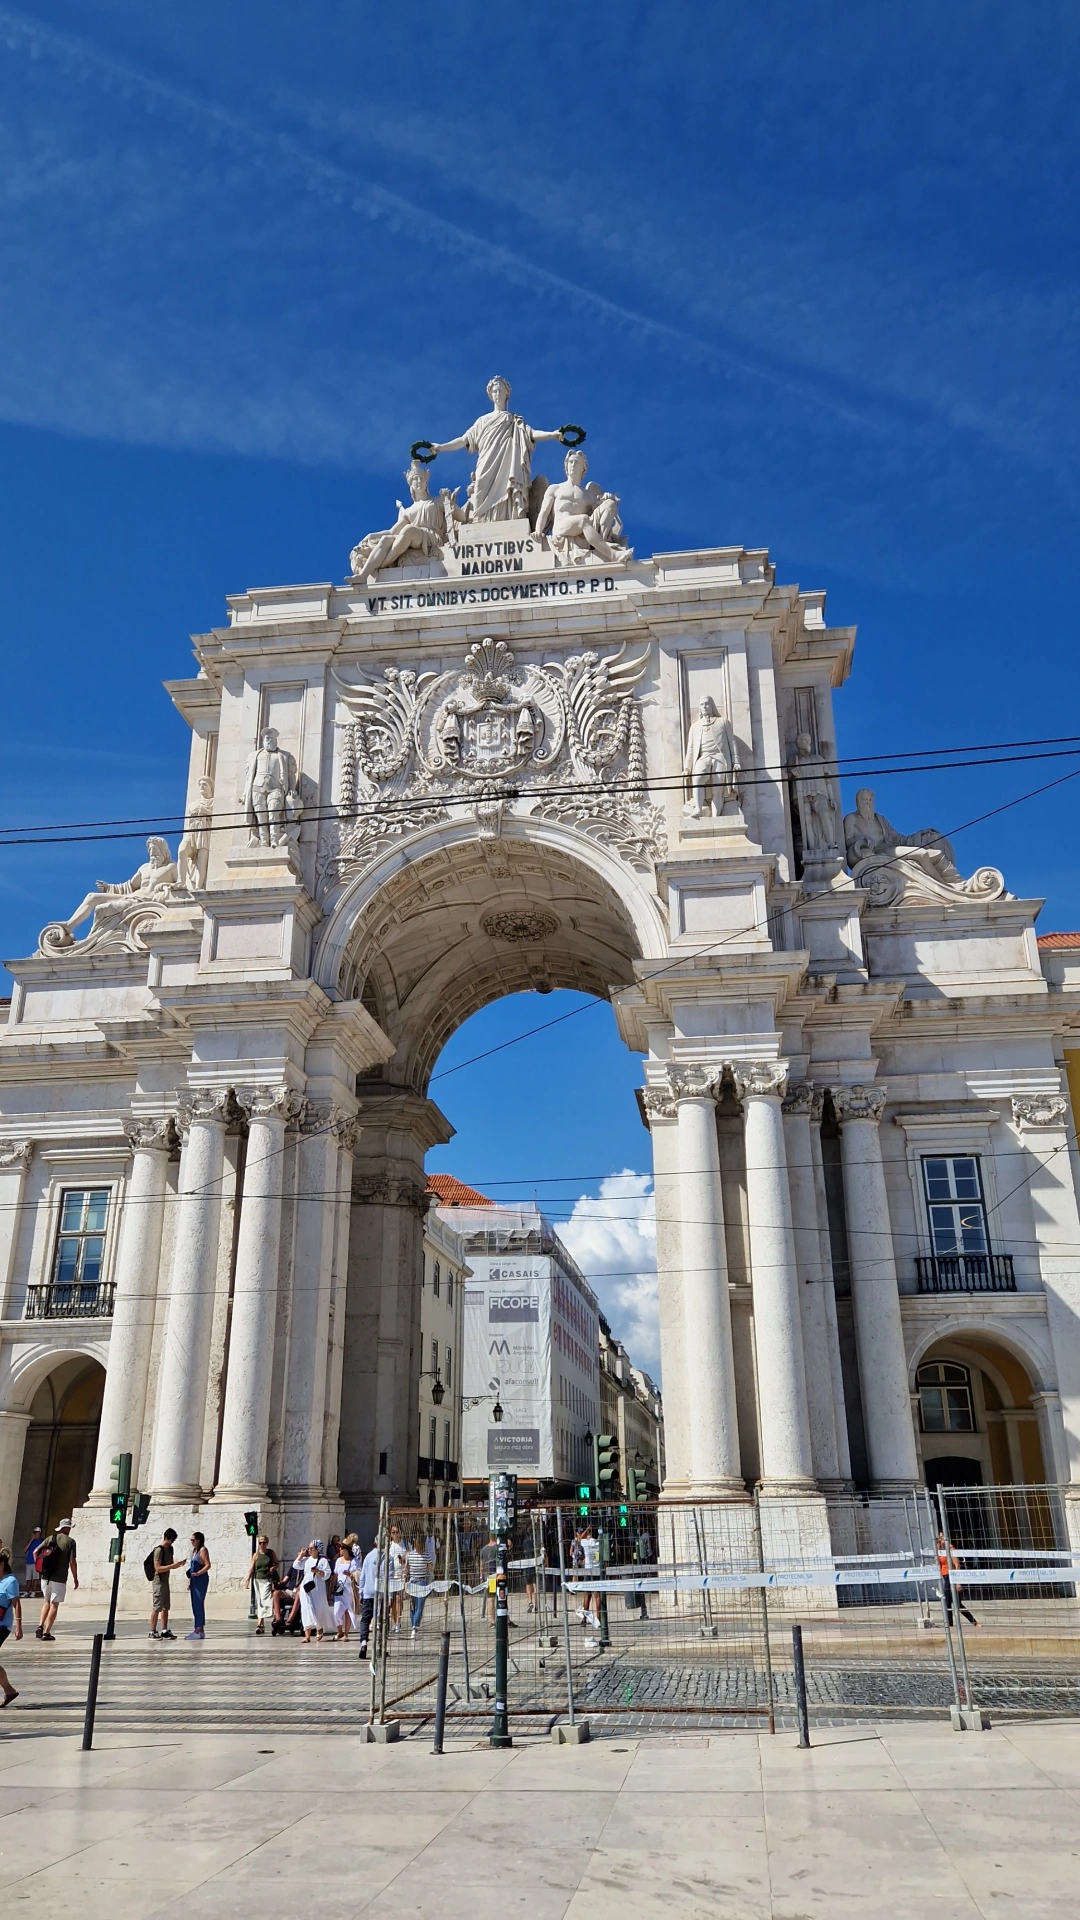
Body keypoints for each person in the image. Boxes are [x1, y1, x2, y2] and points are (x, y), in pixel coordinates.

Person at [428, 375, 565, 523]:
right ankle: (483, 523)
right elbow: (463, 440)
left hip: (508, 463)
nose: (497, 393)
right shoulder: (482, 421)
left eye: (500, 390)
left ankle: (510, 520)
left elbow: (531, 433)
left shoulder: (514, 420)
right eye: (494, 391)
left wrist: (553, 434)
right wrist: (441, 447)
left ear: (507, 393)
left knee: (509, 487)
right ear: (490, 395)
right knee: (481, 493)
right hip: (487, 462)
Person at [37, 1520, 78, 1640]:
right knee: (54, 1605)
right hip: (59, 1578)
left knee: (46, 1601)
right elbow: (72, 1562)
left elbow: (36, 1552)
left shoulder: (50, 1538)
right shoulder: (70, 1542)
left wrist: (39, 1568)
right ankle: (46, 1632)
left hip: (46, 1577)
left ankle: (40, 1626)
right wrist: (75, 1578)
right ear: (67, 1529)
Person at [294, 1539, 334, 1644]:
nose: (309, 1550)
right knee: (307, 1608)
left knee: (318, 1608)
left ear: (317, 1549)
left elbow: (327, 1575)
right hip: (306, 1587)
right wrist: (301, 1555)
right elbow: (296, 1565)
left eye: (312, 1548)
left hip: (317, 1588)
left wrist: (318, 1571)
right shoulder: (306, 1560)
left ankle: (319, 1628)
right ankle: (307, 1636)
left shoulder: (323, 1561)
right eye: (309, 1548)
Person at [936, 1531, 978, 1629]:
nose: (940, 1540)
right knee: (947, 1602)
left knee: (957, 1604)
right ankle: (949, 1625)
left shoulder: (951, 1549)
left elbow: (957, 1565)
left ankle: (974, 1622)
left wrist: (957, 1582)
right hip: (945, 1577)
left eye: (942, 1538)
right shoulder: (939, 1550)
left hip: (952, 1576)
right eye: (939, 1538)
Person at [356, 1535, 383, 1659]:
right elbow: (390, 1577)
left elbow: (363, 1576)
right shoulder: (389, 1557)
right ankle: (379, 1647)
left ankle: (363, 1643)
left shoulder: (368, 1556)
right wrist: (390, 1596)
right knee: (381, 1621)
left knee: (365, 1620)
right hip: (381, 1593)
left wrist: (361, 1592)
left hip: (368, 1593)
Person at [0, 1550, 21, 1707]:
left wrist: (18, 1626)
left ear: (2, 1565)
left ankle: (9, 1690)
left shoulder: (10, 1581)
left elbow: (16, 1604)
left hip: (2, 1626)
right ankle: (9, 1691)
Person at [150, 1528, 178, 1640]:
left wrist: (177, 1564)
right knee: (157, 1607)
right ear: (168, 1538)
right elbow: (158, 1568)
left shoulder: (170, 1549)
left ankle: (164, 1630)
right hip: (159, 1582)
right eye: (172, 1540)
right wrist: (172, 1566)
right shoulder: (158, 1550)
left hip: (166, 1581)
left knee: (166, 1607)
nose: (172, 1543)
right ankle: (152, 1631)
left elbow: (170, 1563)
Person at [247, 1535, 278, 1635]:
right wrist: (247, 1579)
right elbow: (252, 1567)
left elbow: (277, 1563)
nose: (262, 1544)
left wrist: (273, 1568)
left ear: (267, 1543)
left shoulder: (271, 1553)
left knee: (266, 1600)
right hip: (257, 1580)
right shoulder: (256, 1555)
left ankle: (263, 1622)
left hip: (267, 1580)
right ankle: (260, 1624)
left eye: (264, 1542)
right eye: (260, 1543)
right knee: (260, 1602)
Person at [185, 1532, 211, 1641]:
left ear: (199, 1540)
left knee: (198, 1603)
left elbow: (208, 1564)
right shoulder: (194, 1551)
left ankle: (198, 1629)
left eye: (193, 1540)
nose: (191, 1542)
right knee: (195, 1604)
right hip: (194, 1580)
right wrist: (191, 1582)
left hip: (201, 1579)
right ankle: (200, 1630)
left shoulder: (203, 1550)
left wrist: (199, 1573)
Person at [580, 1524, 601, 1645]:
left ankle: (584, 1618)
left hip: (588, 1570)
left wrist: (586, 1530)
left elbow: (579, 1539)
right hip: (597, 1570)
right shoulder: (598, 1543)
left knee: (586, 1595)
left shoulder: (586, 1543)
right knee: (597, 1595)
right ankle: (598, 1617)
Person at [405, 1538, 430, 1638]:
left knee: (417, 1606)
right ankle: (414, 1626)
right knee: (415, 1606)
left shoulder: (411, 1555)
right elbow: (431, 1569)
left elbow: (406, 1568)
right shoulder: (412, 1555)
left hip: (418, 1581)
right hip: (416, 1581)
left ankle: (414, 1626)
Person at [332, 1542, 357, 1641]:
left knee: (348, 1610)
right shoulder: (338, 1560)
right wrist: (330, 1589)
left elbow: (358, 1574)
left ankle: (346, 1634)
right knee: (336, 1611)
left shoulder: (354, 1561)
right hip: (339, 1586)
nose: (340, 1550)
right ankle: (339, 1631)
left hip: (349, 1587)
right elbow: (335, 1575)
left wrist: (350, 1574)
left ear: (346, 1550)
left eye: (342, 1548)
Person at [388, 1525, 408, 1634]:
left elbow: (407, 1561)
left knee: (399, 1599)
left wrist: (403, 1562)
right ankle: (394, 1621)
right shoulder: (389, 1546)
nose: (395, 1534)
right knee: (392, 1601)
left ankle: (398, 1622)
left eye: (397, 1532)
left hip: (401, 1576)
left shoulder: (404, 1545)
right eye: (393, 1532)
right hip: (391, 1576)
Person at [479, 1533, 498, 1626]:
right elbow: (510, 1544)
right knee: (502, 1598)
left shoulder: (483, 1550)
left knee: (491, 1600)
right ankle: (507, 1620)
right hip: (498, 1575)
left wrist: (481, 1576)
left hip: (490, 1577)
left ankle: (492, 1621)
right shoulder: (498, 1547)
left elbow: (481, 1566)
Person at [23, 1526, 42, 1599]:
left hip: (36, 1562)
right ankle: (27, 1591)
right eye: (34, 1532)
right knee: (28, 1578)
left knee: (35, 1578)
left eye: (36, 1532)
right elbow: (25, 1550)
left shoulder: (41, 1541)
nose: (35, 1534)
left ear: (39, 1533)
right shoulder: (31, 1541)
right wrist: (31, 1540)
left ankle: (33, 1592)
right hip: (29, 1561)